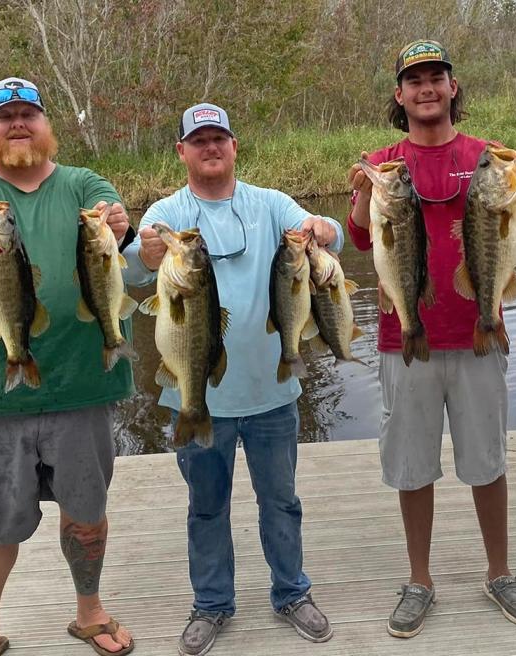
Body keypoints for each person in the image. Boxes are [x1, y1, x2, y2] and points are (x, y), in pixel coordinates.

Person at [0, 77, 137, 656]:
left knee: (86, 511)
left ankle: (89, 611)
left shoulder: (82, 185)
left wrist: (119, 227)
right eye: (4, 116)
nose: (18, 124)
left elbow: (115, 226)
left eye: (29, 114)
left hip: (82, 383)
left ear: (47, 125)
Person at [122, 103, 342, 655]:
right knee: (206, 507)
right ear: (182, 152)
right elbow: (128, 270)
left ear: (234, 145)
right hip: (194, 396)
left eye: (219, 137)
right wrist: (143, 254)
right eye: (199, 140)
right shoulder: (167, 213)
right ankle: (212, 604)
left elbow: (332, 235)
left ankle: (292, 592)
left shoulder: (270, 205)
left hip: (273, 393)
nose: (210, 147)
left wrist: (320, 226)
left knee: (282, 501)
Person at [346, 40, 516, 638]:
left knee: (487, 461)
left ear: (453, 88)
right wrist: (362, 191)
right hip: (404, 335)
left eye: (437, 77)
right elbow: (361, 241)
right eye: (415, 80)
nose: (426, 88)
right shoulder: (384, 163)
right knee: (411, 465)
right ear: (399, 95)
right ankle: (419, 580)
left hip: (479, 332)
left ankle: (500, 571)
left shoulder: (489, 158)